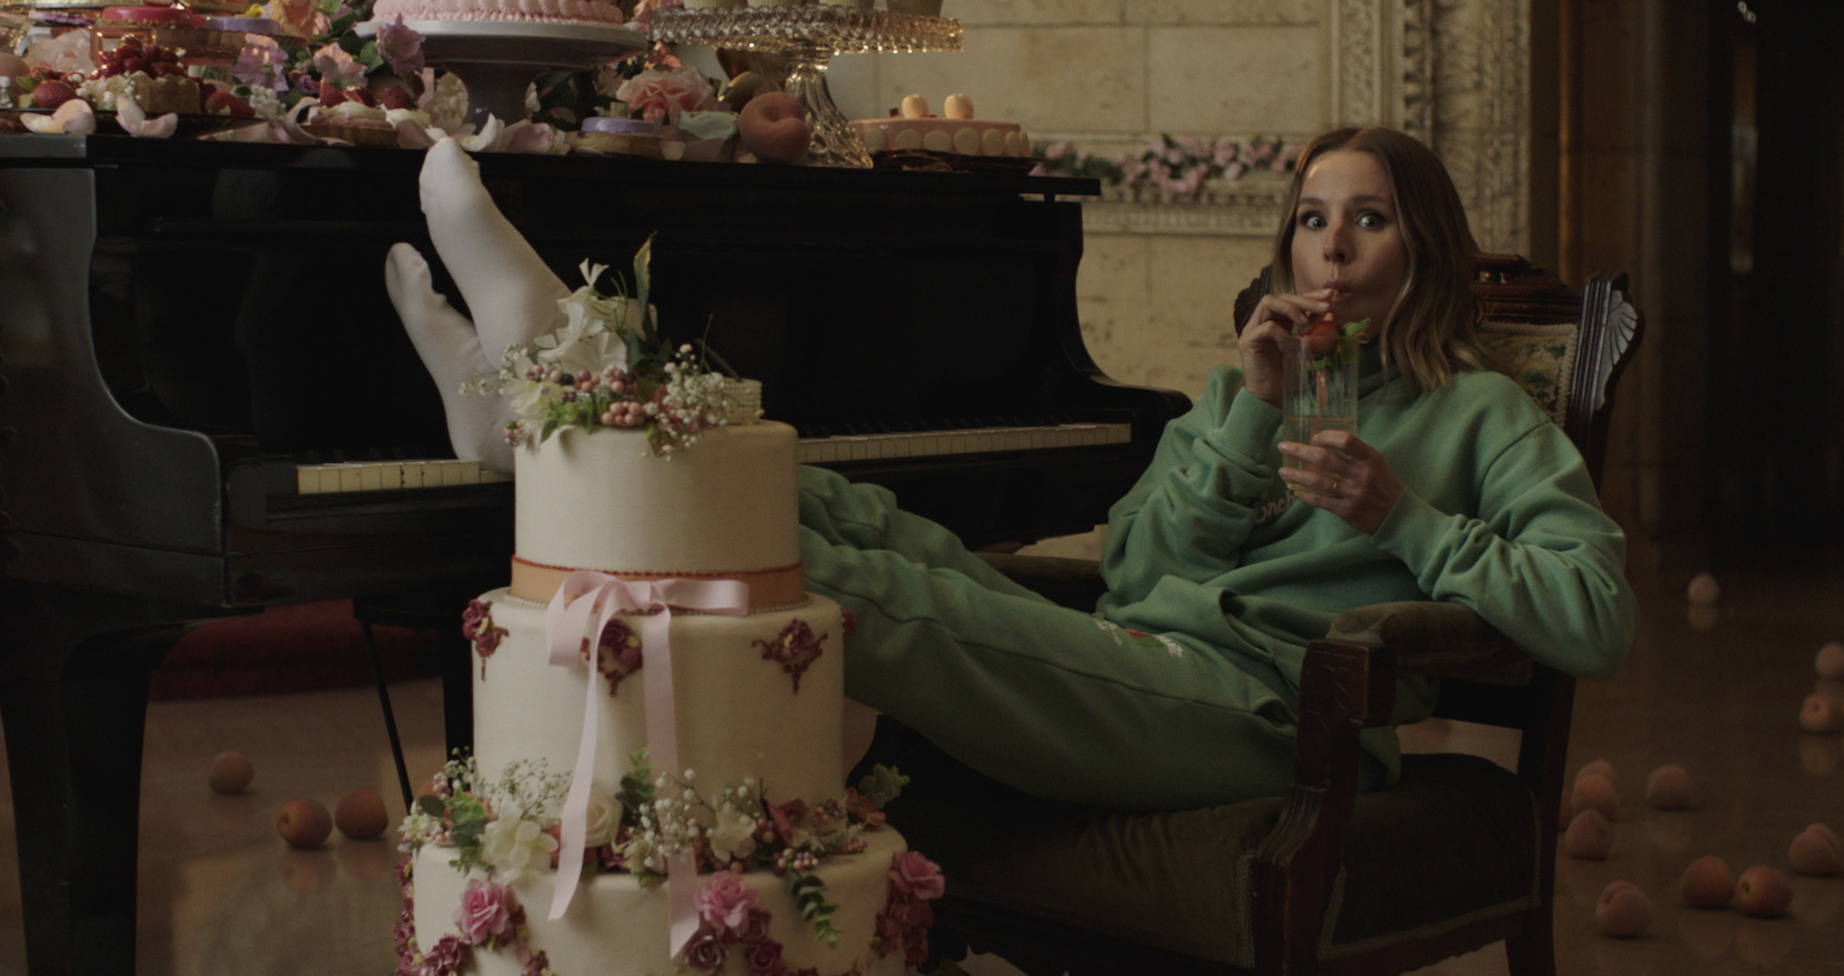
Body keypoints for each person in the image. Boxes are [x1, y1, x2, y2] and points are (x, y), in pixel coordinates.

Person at [386, 128, 1637, 815]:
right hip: (1143, 652)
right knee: (838, 504)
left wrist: (1404, 517)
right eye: (1311, 217)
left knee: (889, 600)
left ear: (1424, 244)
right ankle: (562, 395)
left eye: (1367, 217)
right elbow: (1137, 568)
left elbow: (1596, 615)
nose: (1331, 247)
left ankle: (548, 427)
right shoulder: (1245, 390)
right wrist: (1248, 417)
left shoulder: (1478, 411)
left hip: (1274, 713)